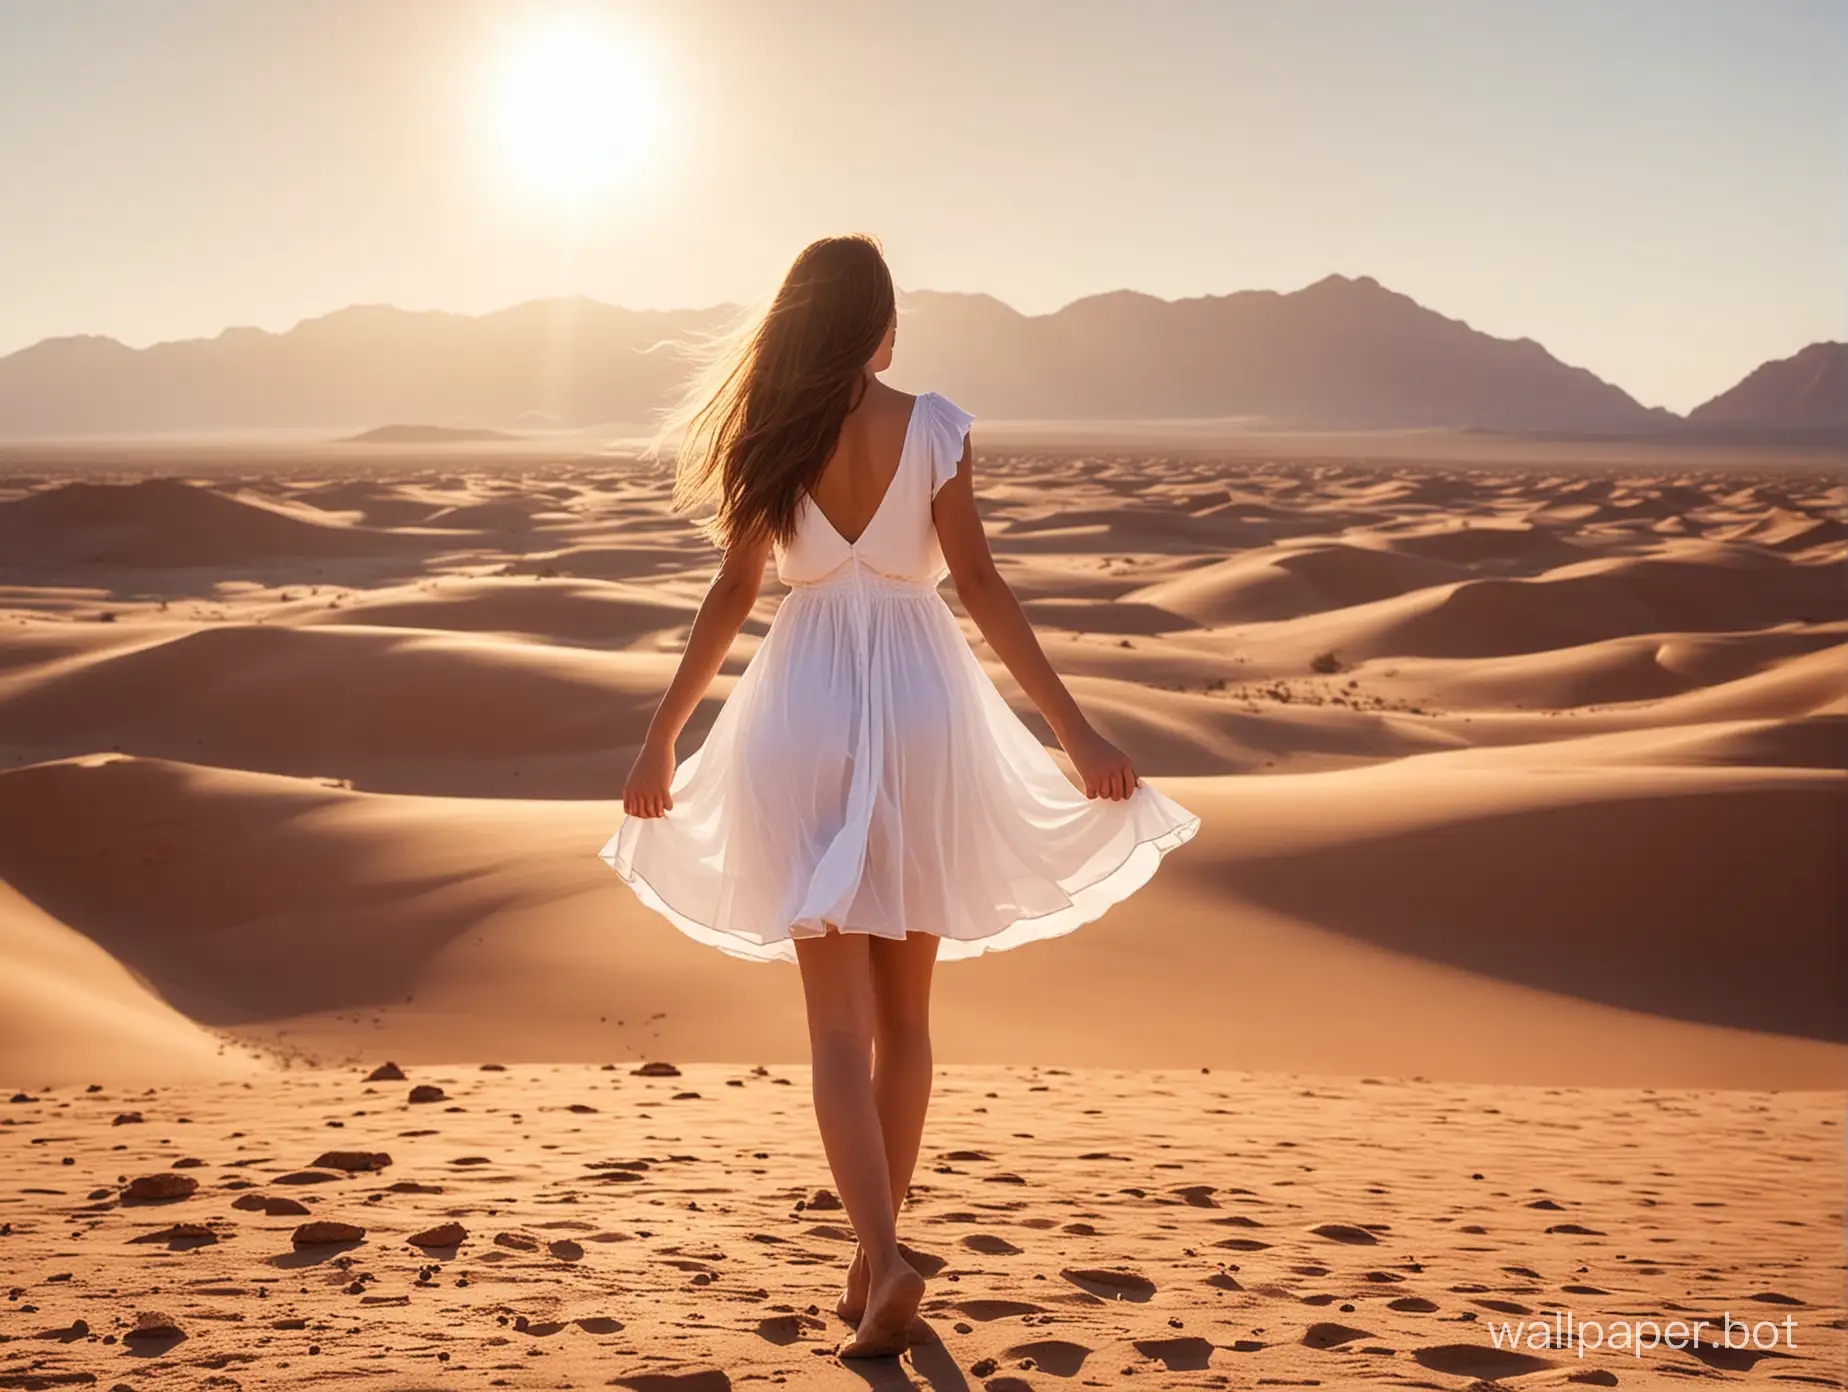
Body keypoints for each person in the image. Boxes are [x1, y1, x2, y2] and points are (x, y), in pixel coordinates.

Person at [601, 233, 1199, 1358]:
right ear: (878, 324)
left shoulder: (769, 436)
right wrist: (1076, 734)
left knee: (835, 1024)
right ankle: (880, 1258)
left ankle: (880, 1261)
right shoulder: (934, 424)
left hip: (803, 711)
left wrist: (660, 744)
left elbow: (732, 595)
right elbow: (976, 583)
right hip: (927, 710)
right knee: (908, 1019)